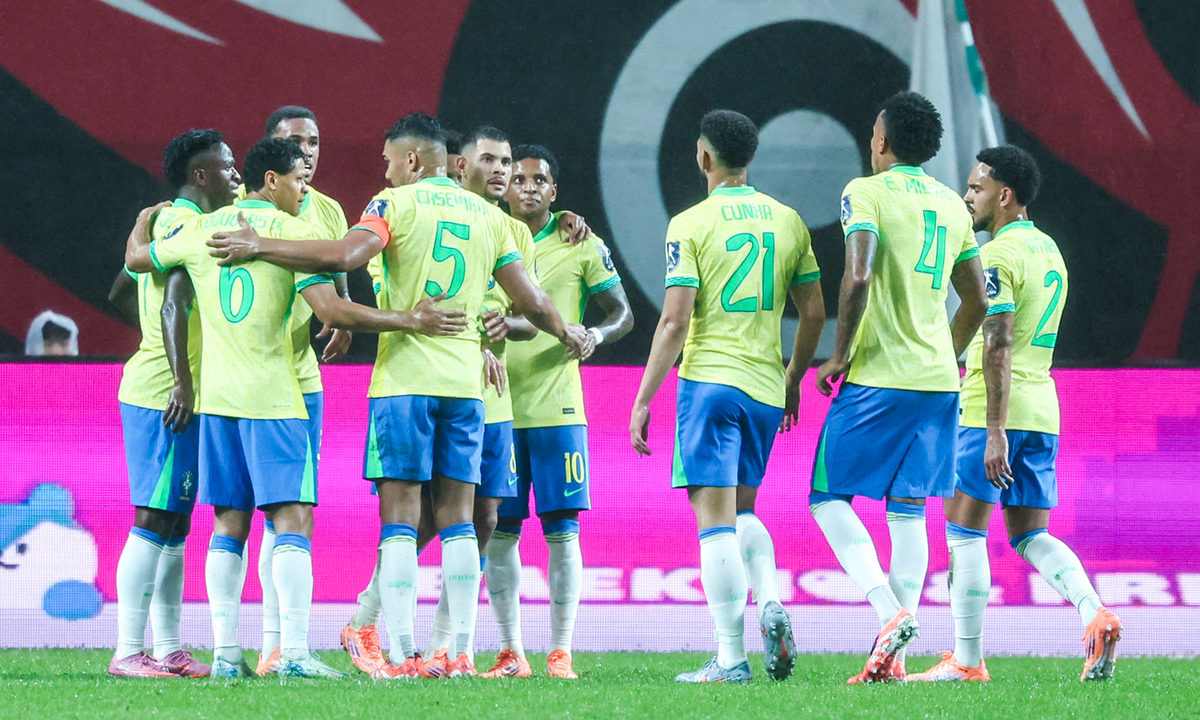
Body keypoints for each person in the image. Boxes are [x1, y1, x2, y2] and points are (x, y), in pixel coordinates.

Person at [205, 113, 587, 679]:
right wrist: (566, 331)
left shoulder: (393, 204)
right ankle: (455, 654)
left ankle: (405, 653)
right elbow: (530, 298)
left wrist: (260, 244)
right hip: (466, 387)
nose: (385, 172)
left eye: (388, 161)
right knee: (460, 519)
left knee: (402, 520)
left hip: (403, 384)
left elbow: (345, 257)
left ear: (410, 160)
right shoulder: (491, 218)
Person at [127, 137, 467, 679]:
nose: (303, 191)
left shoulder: (200, 229)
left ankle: (227, 656)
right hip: (274, 400)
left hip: (218, 403)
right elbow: (333, 310)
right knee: (293, 520)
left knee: (228, 522)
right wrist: (410, 320)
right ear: (272, 181)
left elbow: (139, 261)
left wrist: (143, 224)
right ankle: (293, 654)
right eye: (298, 181)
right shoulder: (291, 236)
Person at [908, 146, 1120, 683]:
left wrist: (994, 430)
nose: (967, 197)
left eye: (976, 189)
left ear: (1004, 196)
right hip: (1042, 410)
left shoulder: (999, 256)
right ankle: (1094, 612)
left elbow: (998, 342)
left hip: (992, 412)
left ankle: (967, 661)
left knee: (964, 533)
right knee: (1029, 535)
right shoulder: (1050, 250)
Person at [339, 125, 540, 679]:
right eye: (489, 160)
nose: (500, 171)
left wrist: (506, 328)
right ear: (458, 165)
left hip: (474, 390)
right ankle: (380, 626)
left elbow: (527, 315)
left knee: (476, 517)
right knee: (433, 516)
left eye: (506, 162)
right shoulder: (431, 217)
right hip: (446, 377)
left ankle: (439, 651)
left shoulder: (505, 229)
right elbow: (392, 286)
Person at [629, 110, 823, 684]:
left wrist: (643, 398)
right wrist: (792, 378)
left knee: (714, 522)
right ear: (751, 157)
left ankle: (731, 657)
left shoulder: (689, 223)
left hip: (711, 384)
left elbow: (674, 321)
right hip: (765, 389)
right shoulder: (788, 221)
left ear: (703, 157)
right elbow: (813, 313)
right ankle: (770, 598)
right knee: (743, 512)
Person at [809, 90, 988, 684]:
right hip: (938, 383)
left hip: (880, 377)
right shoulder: (953, 205)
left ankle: (890, 614)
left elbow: (858, 274)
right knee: (908, 512)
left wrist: (839, 354)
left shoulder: (866, 192)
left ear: (882, 141)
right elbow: (977, 300)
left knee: (827, 497)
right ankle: (894, 660)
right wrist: (947, 353)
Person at [476, 142, 633, 680]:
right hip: (496, 406)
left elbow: (623, 313)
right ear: (505, 187)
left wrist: (595, 334)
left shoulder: (581, 243)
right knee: (501, 530)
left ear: (554, 191)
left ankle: (561, 651)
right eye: (518, 179)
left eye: (538, 180)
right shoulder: (486, 233)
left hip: (558, 408)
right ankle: (510, 652)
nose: (527, 187)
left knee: (562, 530)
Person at [107, 129, 238, 678]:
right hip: (164, 394)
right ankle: (126, 651)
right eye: (227, 166)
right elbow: (172, 307)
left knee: (177, 523)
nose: (236, 174)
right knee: (155, 515)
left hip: (176, 389)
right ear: (200, 175)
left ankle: (168, 649)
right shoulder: (189, 226)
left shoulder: (164, 221)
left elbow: (121, 288)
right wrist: (181, 380)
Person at [251, 105, 355, 676]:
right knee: (256, 514)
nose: (308, 152)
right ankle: (273, 643)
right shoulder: (242, 208)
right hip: (251, 380)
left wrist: (342, 317)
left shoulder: (329, 209)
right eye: (295, 142)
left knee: (289, 510)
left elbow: (338, 273)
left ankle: (277, 646)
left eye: (314, 141)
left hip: (303, 378)